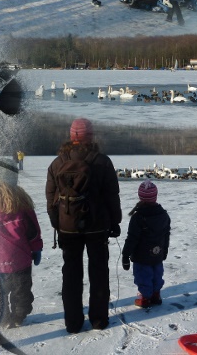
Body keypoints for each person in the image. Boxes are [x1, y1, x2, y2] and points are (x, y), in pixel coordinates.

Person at [45, 118, 121, 333]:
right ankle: (99, 320)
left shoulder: (57, 163)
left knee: (71, 273)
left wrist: (57, 222)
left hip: (67, 226)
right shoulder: (102, 161)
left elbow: (50, 198)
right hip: (97, 226)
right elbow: (111, 195)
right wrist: (115, 221)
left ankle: (73, 322)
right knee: (98, 272)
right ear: (90, 136)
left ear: (71, 136)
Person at [0, 180, 43, 329]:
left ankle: (5, 318)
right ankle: (19, 316)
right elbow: (33, 232)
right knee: (22, 293)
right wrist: (36, 248)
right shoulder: (22, 205)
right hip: (19, 260)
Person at [122, 180, 171, 308]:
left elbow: (131, 238)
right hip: (157, 253)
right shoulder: (164, 215)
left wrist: (125, 255)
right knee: (157, 274)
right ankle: (155, 295)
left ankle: (145, 298)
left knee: (143, 275)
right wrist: (164, 251)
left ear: (140, 196)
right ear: (155, 196)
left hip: (141, 257)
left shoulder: (138, 217)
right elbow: (166, 236)